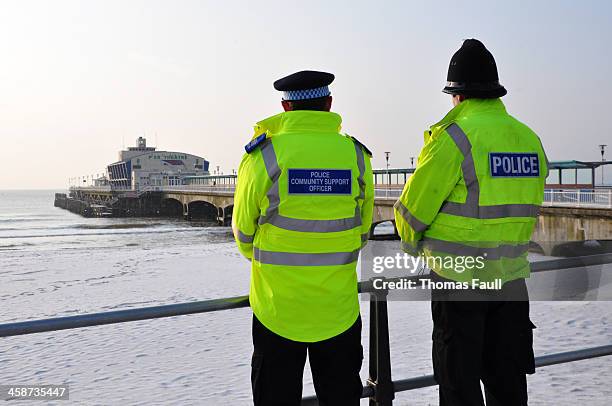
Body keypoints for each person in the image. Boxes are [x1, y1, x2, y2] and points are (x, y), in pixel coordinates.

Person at [394, 39, 548, 406]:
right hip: (511, 281)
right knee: (508, 383)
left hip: (459, 282)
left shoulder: (454, 139)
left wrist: (413, 245)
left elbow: (410, 215)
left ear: (458, 96)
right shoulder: (529, 140)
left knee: (459, 384)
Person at [232, 70, 374, 405]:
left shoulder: (264, 155)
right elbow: (363, 231)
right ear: (329, 104)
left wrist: (267, 257)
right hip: (338, 311)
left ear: (285, 106)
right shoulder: (355, 155)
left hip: (277, 311)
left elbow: (242, 232)